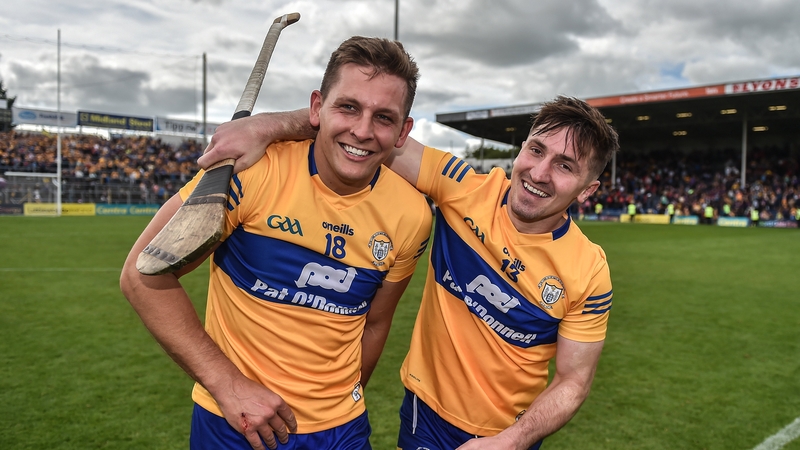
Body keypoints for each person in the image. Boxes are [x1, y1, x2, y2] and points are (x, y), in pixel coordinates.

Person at [200, 95, 619, 449]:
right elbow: (363, 134)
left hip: (511, 433)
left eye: (565, 166)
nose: (539, 173)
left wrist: (511, 440)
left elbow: (573, 381)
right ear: (522, 148)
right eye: (536, 150)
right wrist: (266, 126)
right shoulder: (465, 188)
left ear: (588, 190)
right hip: (426, 415)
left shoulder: (589, 271)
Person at [120, 36, 433, 450]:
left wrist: (339, 401)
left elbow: (375, 322)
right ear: (317, 107)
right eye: (349, 106)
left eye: (384, 117)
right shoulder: (249, 171)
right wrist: (227, 384)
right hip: (237, 424)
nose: (362, 130)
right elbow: (141, 275)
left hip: (342, 430)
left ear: (403, 131)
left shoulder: (412, 215)